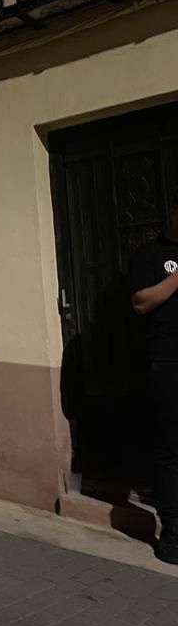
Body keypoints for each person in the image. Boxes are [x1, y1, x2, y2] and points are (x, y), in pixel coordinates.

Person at [130, 190, 178, 564]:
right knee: (171, 452)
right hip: (168, 363)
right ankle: (174, 534)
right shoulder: (151, 255)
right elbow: (141, 302)